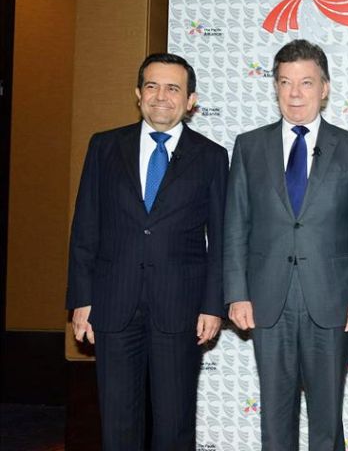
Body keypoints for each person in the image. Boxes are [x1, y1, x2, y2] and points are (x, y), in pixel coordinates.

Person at [66, 53, 229, 450]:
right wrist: (81, 298)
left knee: (174, 425)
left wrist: (213, 305)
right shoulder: (104, 147)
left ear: (190, 100)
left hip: (180, 307)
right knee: (118, 424)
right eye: (152, 86)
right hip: (113, 303)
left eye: (173, 88)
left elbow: (221, 239)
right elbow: (86, 226)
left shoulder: (211, 156)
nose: (162, 96)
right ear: (137, 94)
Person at [224, 39, 348, 451]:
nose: (295, 93)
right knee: (275, 417)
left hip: (331, 299)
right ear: (275, 87)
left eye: (306, 82)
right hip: (267, 299)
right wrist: (236, 294)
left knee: (327, 418)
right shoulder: (248, 146)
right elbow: (235, 225)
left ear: (324, 88)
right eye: (285, 82)